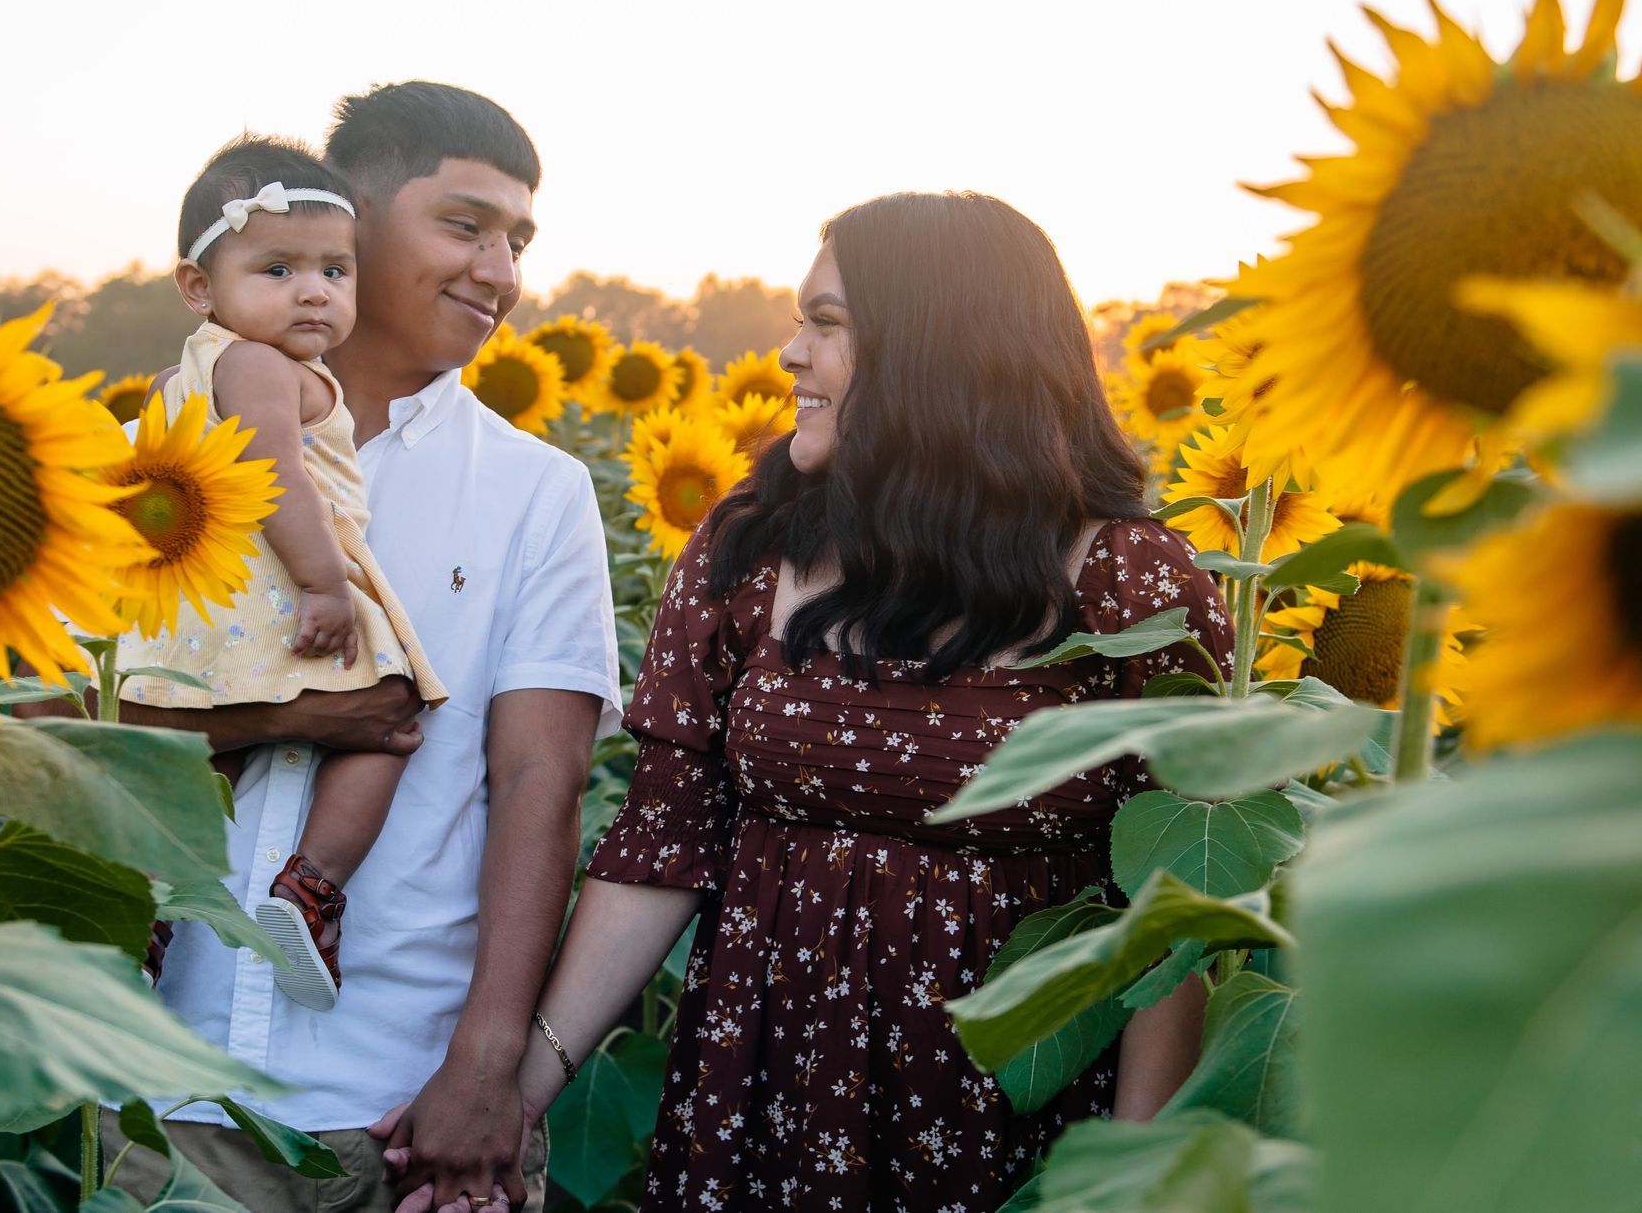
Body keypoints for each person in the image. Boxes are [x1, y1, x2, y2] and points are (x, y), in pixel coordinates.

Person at [496, 192, 1232, 1211]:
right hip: (759, 1104)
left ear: (939, 347)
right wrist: (521, 1097)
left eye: (827, 324)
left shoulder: (1130, 587)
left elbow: (1171, 913)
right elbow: (665, 839)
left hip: (1012, 1125)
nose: (790, 353)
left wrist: (1133, 1183)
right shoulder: (748, 550)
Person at [103, 83, 620, 1213]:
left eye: (518, 242)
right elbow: (79, 727)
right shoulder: (159, 458)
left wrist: (492, 1067)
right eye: (466, 226)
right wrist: (287, 718)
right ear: (359, 218)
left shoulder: (536, 490)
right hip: (161, 1094)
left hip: (397, 1105)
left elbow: (543, 779)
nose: (500, 273)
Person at [122, 135, 449, 1013]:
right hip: (281, 585)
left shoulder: (174, 377)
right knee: (389, 712)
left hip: (204, 598)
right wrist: (323, 585)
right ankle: (312, 886)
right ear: (200, 288)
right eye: (276, 269)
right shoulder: (263, 366)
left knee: (210, 751)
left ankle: (148, 899)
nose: (313, 291)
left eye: (334, 272)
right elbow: (276, 473)